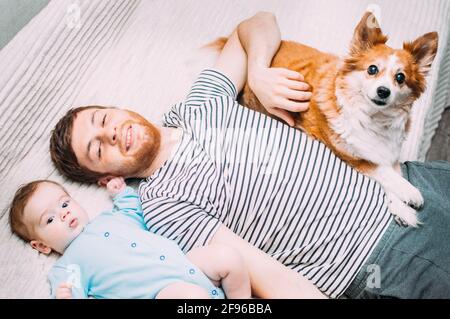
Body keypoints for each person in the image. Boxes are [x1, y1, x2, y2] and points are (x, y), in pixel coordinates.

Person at [49, 12, 450, 298]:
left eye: (103, 119)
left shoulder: (197, 105)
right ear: (103, 178)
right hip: (375, 258)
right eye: (97, 147)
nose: (112, 132)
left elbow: (257, 24)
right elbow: (258, 272)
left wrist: (257, 72)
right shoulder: (159, 205)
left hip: (404, 181)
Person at [8, 178, 251, 299]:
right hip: (159, 293)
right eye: (49, 219)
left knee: (226, 256)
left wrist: (121, 192)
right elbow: (73, 291)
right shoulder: (69, 266)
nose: (63, 213)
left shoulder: (109, 218)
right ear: (41, 245)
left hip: (187, 264)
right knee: (190, 296)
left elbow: (133, 211)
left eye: (64, 203)